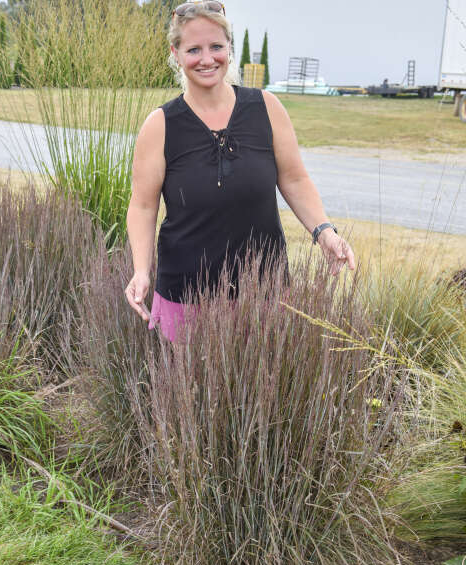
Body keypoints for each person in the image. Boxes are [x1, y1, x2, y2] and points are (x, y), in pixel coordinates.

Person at [125, 0, 355, 342]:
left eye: (216, 46)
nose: (207, 59)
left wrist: (324, 232)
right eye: (193, 49)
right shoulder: (160, 125)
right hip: (187, 295)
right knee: (189, 392)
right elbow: (143, 205)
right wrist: (141, 271)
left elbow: (294, 178)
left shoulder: (266, 107)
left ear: (229, 48)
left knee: (263, 385)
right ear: (175, 53)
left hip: (264, 288)